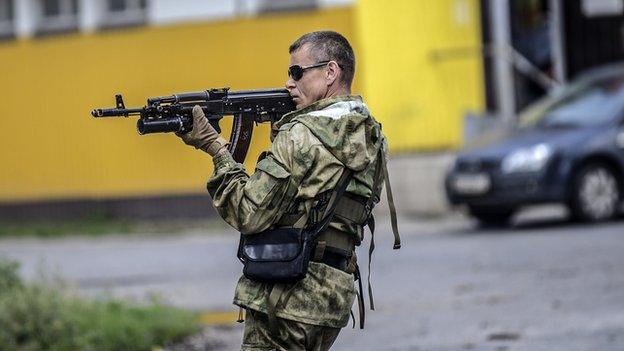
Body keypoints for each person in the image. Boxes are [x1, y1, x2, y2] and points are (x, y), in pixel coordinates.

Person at [177, 30, 399, 351]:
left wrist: (216, 148)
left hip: (288, 295)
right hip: (332, 294)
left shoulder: (299, 137)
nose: (289, 83)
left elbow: (248, 213)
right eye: (288, 73)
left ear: (330, 72)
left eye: (297, 72)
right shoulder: (371, 134)